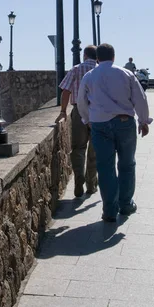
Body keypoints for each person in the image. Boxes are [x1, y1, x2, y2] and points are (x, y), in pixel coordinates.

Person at [77, 43, 152, 222]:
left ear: (97, 58)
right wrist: (143, 121)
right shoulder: (126, 74)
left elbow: (81, 101)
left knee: (105, 167)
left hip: (100, 125)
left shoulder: (89, 76)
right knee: (127, 164)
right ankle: (125, 205)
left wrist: (87, 120)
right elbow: (140, 98)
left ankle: (109, 210)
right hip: (124, 122)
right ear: (113, 57)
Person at [55, 45, 98, 198]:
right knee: (95, 149)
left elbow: (65, 90)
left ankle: (78, 180)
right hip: (98, 113)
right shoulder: (100, 70)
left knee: (78, 147)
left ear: (85, 55)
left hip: (79, 111)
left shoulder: (76, 69)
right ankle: (91, 184)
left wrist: (62, 112)